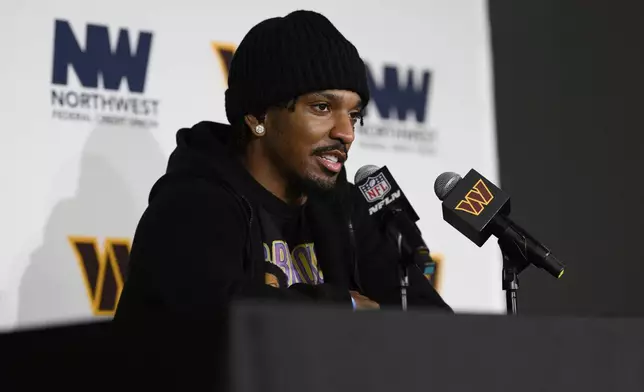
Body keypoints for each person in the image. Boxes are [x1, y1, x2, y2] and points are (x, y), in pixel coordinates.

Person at [112, 9, 450, 387]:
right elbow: (216, 323)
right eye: (322, 108)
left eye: (354, 115)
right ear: (258, 116)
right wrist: (344, 308)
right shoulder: (192, 204)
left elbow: (428, 321)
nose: (346, 133)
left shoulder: (349, 209)